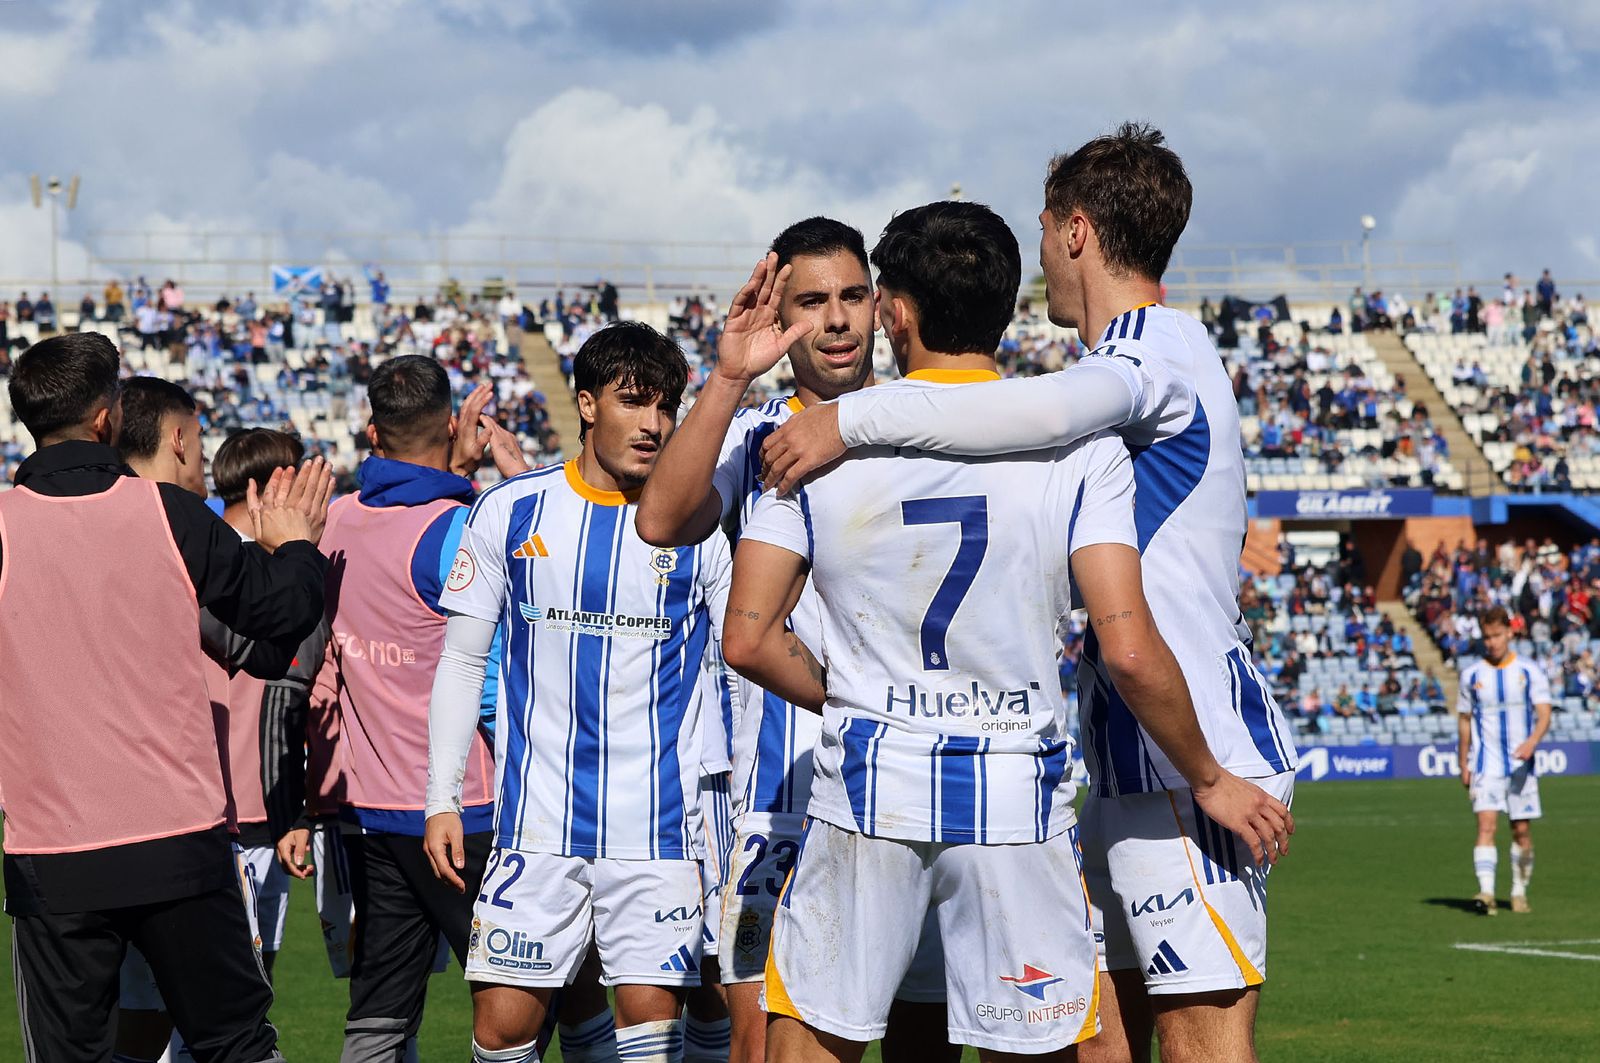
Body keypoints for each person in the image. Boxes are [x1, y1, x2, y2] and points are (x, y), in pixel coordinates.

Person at [760, 124, 1297, 1063]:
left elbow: (1028, 407)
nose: (1039, 247)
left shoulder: (1147, 358)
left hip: (1192, 744)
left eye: (1047, 225)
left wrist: (848, 415)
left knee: (1203, 1038)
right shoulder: (1117, 373)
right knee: (1100, 1035)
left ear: (1078, 231)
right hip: (1127, 746)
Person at [636, 218, 950, 1063]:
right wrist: (731, 373)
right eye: (812, 303)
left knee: (926, 1033)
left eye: (853, 296)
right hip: (783, 798)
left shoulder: (934, 421)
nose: (838, 320)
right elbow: (660, 518)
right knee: (762, 1036)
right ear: (782, 316)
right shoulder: (753, 438)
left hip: (921, 775)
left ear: (882, 305)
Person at [0, 331, 330, 1062]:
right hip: (177, 843)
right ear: (105, 418)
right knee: (237, 1042)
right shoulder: (167, 515)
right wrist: (300, 545)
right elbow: (276, 618)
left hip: (56, 856)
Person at [425, 321, 733, 1063]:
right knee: (501, 1030)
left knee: (651, 1038)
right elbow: (464, 661)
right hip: (537, 825)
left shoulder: (701, 530)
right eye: (634, 402)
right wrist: (441, 795)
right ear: (587, 404)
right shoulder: (511, 511)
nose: (655, 424)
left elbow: (735, 676)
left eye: (666, 407)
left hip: (657, 833)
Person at [272, 363, 521, 1061]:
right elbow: (495, 678)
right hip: (468, 807)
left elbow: (322, 662)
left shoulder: (336, 523)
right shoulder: (461, 529)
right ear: (451, 427)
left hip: (375, 811)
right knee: (518, 1001)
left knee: (380, 1012)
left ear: (372, 432)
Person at [115, 397, 333, 1063]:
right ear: (271, 487)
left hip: (138, 821)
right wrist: (299, 563)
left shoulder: (169, 542)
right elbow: (277, 675)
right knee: (226, 1015)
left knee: (152, 1013)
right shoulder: (215, 557)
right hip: (216, 825)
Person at [1457, 605, 1551, 915]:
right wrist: (1463, 762)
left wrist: (1532, 742)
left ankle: (1518, 891)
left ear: (1509, 633)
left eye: (1497, 635)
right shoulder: (1471, 675)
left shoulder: (1528, 670)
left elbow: (1544, 713)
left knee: (1520, 831)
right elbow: (1464, 720)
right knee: (1485, 826)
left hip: (1520, 765)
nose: (1492, 642)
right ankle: (1486, 893)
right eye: (1487, 637)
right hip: (1486, 764)